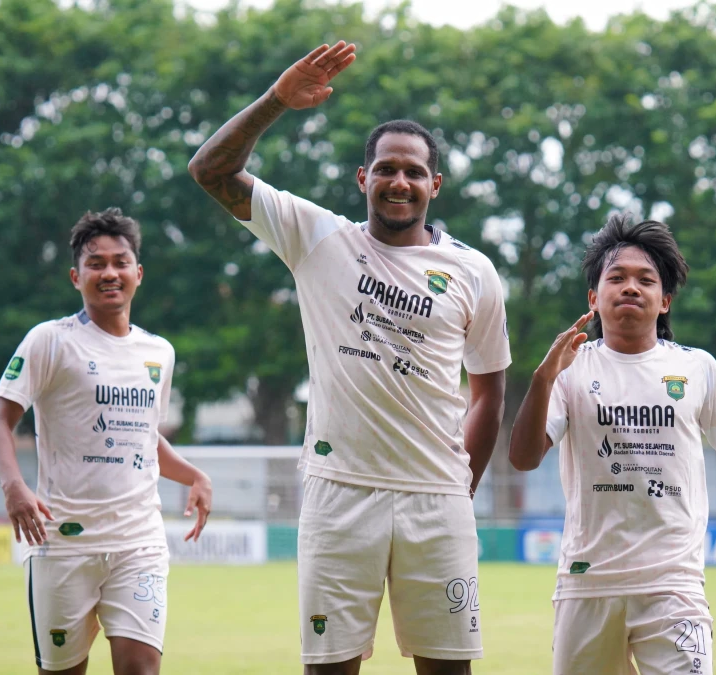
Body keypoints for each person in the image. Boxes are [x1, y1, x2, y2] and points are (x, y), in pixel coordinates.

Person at [188, 42, 510, 675]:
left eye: (414, 172)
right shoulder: (317, 238)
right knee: (329, 667)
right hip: (340, 496)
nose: (399, 181)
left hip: (436, 499)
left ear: (434, 185)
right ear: (363, 178)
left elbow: (490, 392)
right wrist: (277, 101)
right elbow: (210, 171)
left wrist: (458, 489)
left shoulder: (475, 273)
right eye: (386, 168)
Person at [509, 214, 716, 675]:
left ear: (665, 300)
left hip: (673, 585)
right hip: (587, 584)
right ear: (594, 298)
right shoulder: (571, 370)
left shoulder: (698, 369)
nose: (630, 287)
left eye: (645, 280)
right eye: (616, 278)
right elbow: (523, 457)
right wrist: (542, 378)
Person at [0, 208, 213, 675]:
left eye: (120, 262)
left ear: (138, 273)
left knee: (142, 669)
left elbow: (143, 439)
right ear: (76, 276)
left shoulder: (159, 353)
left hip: (138, 541)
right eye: (96, 263)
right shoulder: (50, 341)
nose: (110, 273)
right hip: (63, 542)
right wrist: (13, 487)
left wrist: (193, 474)